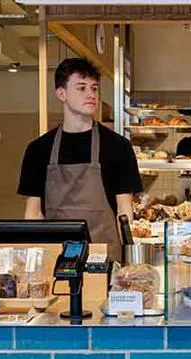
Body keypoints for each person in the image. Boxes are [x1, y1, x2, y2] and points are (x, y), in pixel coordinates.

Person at [18, 58, 142, 261]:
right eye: (81, 88)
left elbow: (124, 210)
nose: (91, 94)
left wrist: (129, 262)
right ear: (61, 93)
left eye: (94, 88)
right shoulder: (38, 150)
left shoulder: (118, 147)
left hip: (105, 260)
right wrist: (34, 261)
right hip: (55, 259)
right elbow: (34, 213)